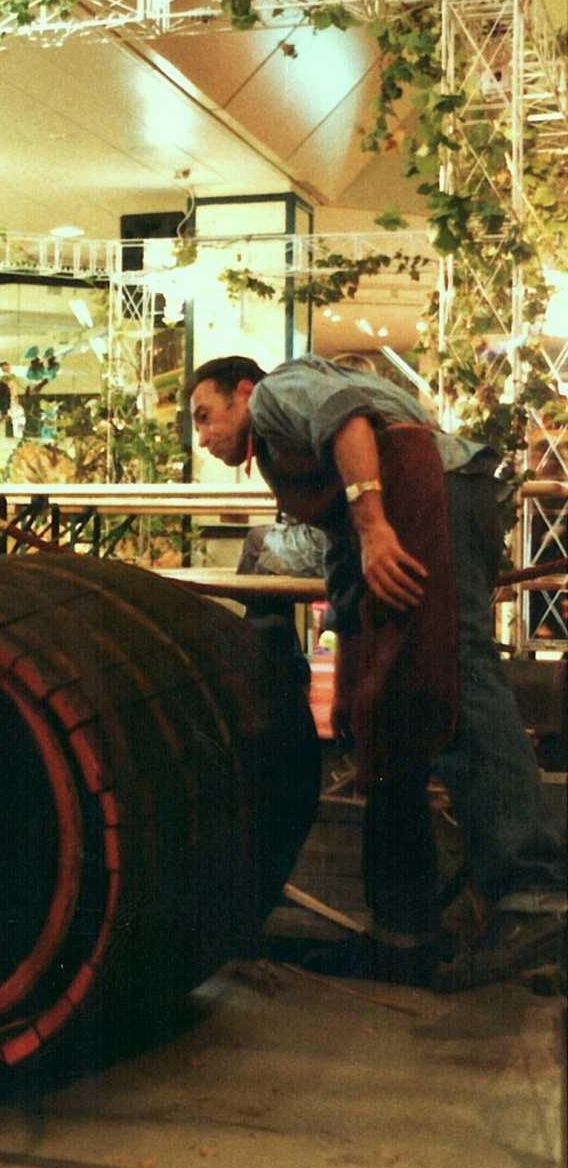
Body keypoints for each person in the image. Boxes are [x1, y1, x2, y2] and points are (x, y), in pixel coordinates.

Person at [187, 352, 565, 990]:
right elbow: (341, 547)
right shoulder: (288, 449)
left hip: (436, 495)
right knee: (389, 712)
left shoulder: (279, 396)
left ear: (243, 392)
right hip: (426, 498)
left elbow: (350, 421)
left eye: (205, 415)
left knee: (456, 672)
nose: (202, 435)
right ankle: (403, 932)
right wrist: (356, 663)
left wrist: (375, 527)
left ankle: (534, 895)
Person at [0, 361, 14, 438]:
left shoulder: (9, 375)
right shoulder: (2, 376)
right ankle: (3, 414)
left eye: (5, 366)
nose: (4, 368)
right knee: (3, 403)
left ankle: (4, 415)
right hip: (3, 391)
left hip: (6, 392)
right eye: (3, 367)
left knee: (5, 403)